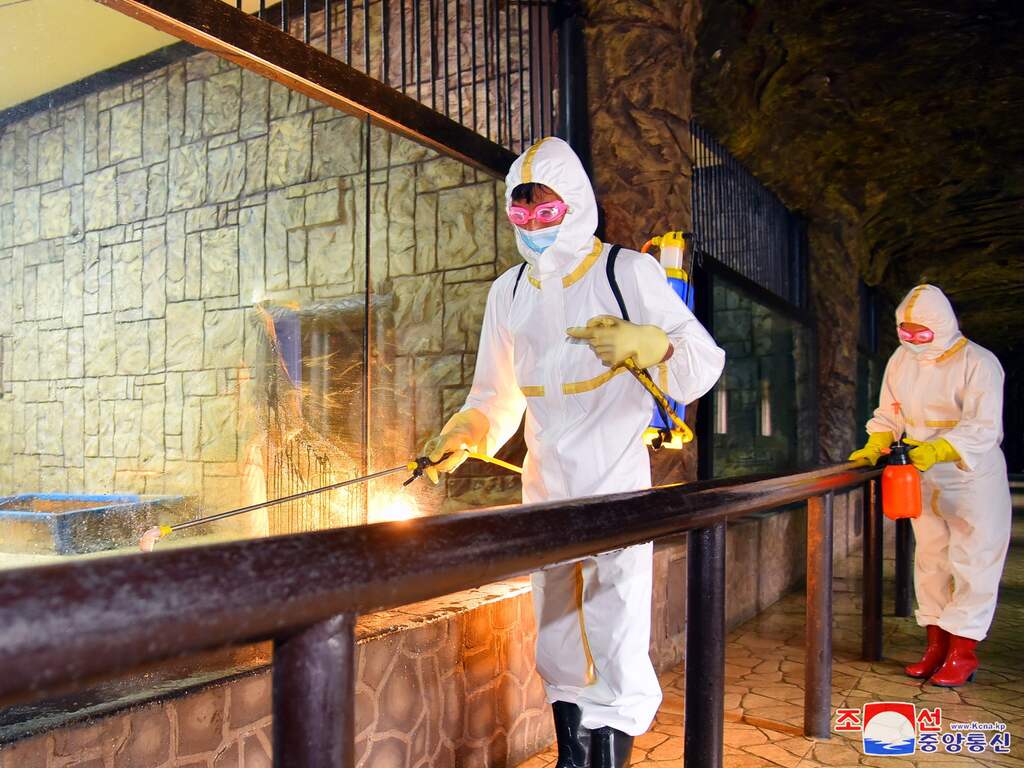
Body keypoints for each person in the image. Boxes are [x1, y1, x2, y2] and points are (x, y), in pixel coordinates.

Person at [421, 137, 724, 768]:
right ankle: (571, 753)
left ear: (577, 203)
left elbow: (703, 360)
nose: (533, 224)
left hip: (615, 481)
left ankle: (609, 755)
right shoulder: (509, 291)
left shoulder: (626, 273)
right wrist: (465, 433)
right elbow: (494, 395)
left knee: (616, 621)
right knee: (556, 621)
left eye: (547, 209)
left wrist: (652, 344)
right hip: (545, 486)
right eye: (521, 211)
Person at [850, 284, 1011, 687]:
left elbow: (983, 426)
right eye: (904, 330)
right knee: (931, 559)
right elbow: (890, 412)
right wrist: (876, 442)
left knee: (973, 560)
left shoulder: (979, 362)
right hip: (920, 473)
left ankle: (963, 651)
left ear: (942, 324)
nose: (912, 338)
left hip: (971, 475)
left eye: (920, 331)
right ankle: (936, 645)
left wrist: (939, 449)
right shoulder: (901, 359)